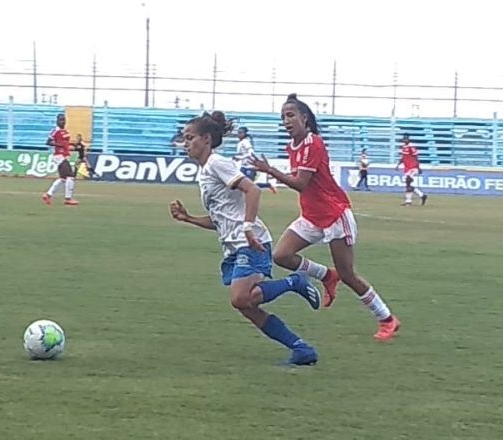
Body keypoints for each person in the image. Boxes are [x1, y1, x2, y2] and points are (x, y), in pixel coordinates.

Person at [170, 111, 321, 366]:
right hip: (234, 246)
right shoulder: (206, 172)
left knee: (240, 298)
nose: (186, 143)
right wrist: (189, 218)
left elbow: (252, 190)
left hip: (251, 242)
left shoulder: (217, 163)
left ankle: (295, 281)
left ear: (206, 139)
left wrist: (249, 228)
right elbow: (221, 220)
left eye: (189, 138)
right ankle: (301, 349)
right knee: (247, 306)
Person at [251, 94, 400, 341]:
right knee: (281, 255)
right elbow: (303, 180)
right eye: (283, 117)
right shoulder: (294, 147)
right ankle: (327, 276)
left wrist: (270, 171)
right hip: (311, 215)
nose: (286, 121)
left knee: (349, 274)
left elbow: (301, 183)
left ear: (304, 118)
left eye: (291, 115)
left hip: (333, 215)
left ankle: (387, 319)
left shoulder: (313, 143)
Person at [42, 113, 79, 206]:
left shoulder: (65, 131)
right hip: (59, 156)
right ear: (57, 121)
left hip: (64, 155)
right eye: (61, 120)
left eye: (64, 120)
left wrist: (72, 146)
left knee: (63, 179)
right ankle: (68, 198)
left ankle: (48, 195)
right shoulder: (55, 131)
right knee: (70, 176)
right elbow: (48, 142)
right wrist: (59, 145)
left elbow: (65, 143)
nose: (63, 122)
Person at [234, 127, 276, 193]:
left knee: (250, 185)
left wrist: (240, 158)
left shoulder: (245, 142)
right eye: (238, 132)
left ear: (245, 134)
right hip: (243, 166)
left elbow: (251, 153)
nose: (238, 134)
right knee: (241, 184)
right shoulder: (240, 143)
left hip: (250, 167)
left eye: (240, 133)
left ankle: (268, 185)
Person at [396, 134, 429, 206]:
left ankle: (408, 201)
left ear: (408, 139)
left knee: (408, 181)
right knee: (409, 185)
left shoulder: (411, 146)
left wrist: (418, 167)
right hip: (407, 168)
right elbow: (403, 157)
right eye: (404, 139)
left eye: (406, 139)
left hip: (412, 167)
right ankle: (422, 196)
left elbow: (416, 157)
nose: (405, 140)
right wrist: (398, 165)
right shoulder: (404, 147)